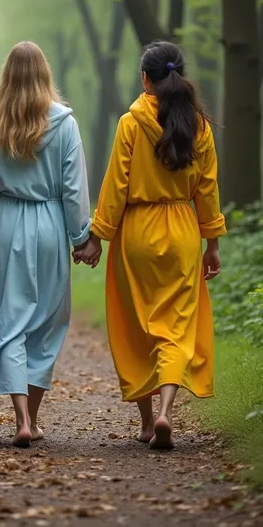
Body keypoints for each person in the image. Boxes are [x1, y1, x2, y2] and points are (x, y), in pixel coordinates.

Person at [75, 41, 226, 450]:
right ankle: (165, 412)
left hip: (137, 232)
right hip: (181, 231)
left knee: (136, 326)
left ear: (146, 79)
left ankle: (145, 423)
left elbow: (116, 186)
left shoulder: (131, 122)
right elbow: (208, 190)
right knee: (175, 328)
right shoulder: (200, 126)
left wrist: (97, 238)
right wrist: (212, 244)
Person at [0, 41, 91, 448]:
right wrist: (82, 238)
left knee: (8, 317)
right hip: (49, 223)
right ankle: (31, 415)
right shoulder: (65, 124)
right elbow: (73, 190)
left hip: (7, 222)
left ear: (7, 76)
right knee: (45, 320)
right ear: (45, 74)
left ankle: (20, 419)